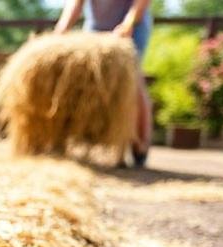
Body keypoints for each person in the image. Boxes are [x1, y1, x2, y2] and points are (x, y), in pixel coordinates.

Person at [55, 0, 153, 167]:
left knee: (133, 82)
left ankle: (140, 144)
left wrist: (128, 24)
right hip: (96, 29)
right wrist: (61, 30)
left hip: (132, 28)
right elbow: (76, 3)